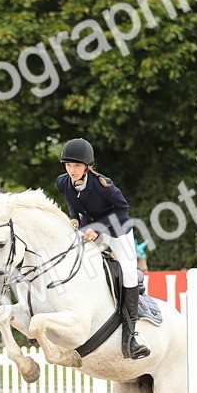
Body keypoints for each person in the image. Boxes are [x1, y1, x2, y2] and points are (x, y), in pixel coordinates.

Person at [55, 137, 150, 360]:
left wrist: (98, 229)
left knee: (127, 271)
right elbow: (71, 200)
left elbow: (122, 208)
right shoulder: (63, 182)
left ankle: (131, 335)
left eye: (77, 165)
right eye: (69, 165)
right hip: (90, 226)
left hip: (118, 228)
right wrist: (73, 218)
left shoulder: (102, 184)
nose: (72, 170)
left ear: (87, 166)